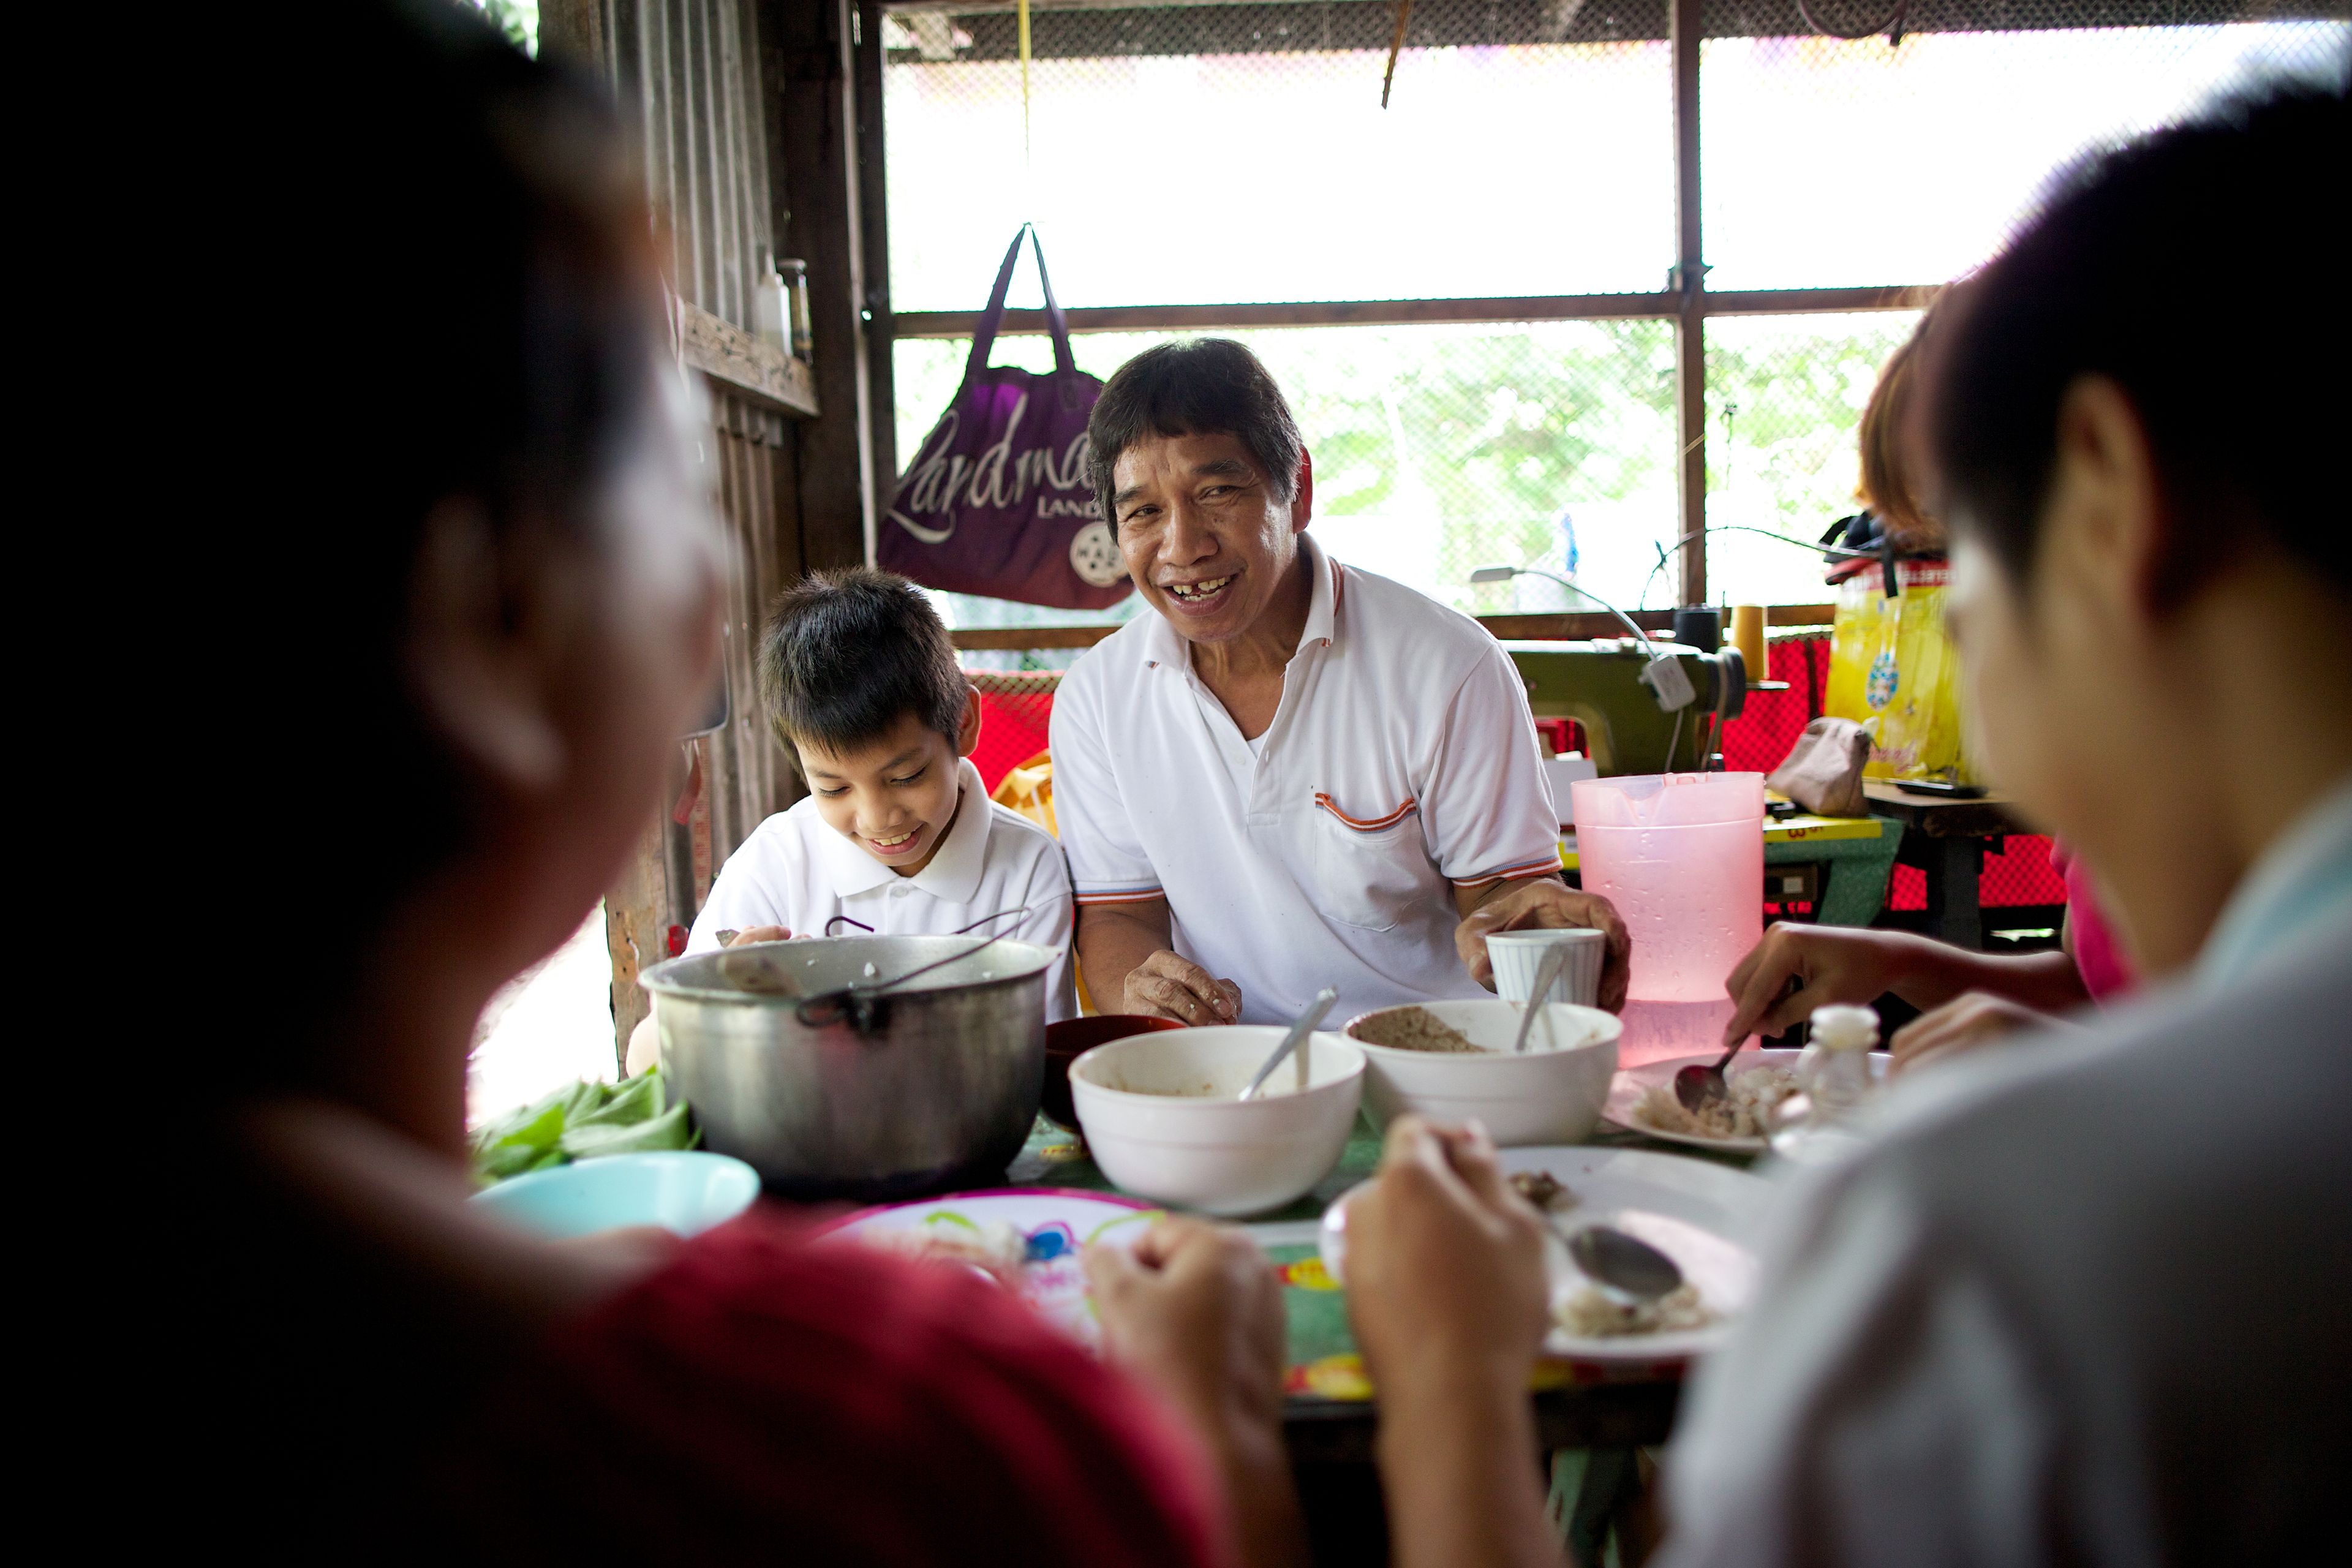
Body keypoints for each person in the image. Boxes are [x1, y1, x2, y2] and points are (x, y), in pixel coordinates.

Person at [132, 5, 1309, 1562]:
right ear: (489, 622)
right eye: (672, 472)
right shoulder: (901, 1433)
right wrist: (1220, 1437)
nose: (710, 598)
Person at [1346, 68, 2352, 1566]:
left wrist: (1439, 1378)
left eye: (1951, 578)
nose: (1945, 649)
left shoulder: (1992, 1244)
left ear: (2106, 505)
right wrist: (1911, 961)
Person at [1049, 339, 1630, 1027]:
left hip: (1434, 1066)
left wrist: (1540, 933)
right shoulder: (1097, 699)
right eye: (1143, 512)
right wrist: (1136, 996)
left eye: (1216, 492)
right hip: (1232, 1073)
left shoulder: (1447, 666)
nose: (1182, 546)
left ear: (1299, 492)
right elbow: (1120, 915)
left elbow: (1506, 896)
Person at [625, 569, 1077, 1072]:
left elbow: (1038, 1063)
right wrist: (714, 1010)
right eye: (835, 788)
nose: (877, 817)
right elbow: (643, 1057)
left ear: (964, 723)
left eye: (906, 776)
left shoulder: (1029, 870)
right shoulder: (774, 864)